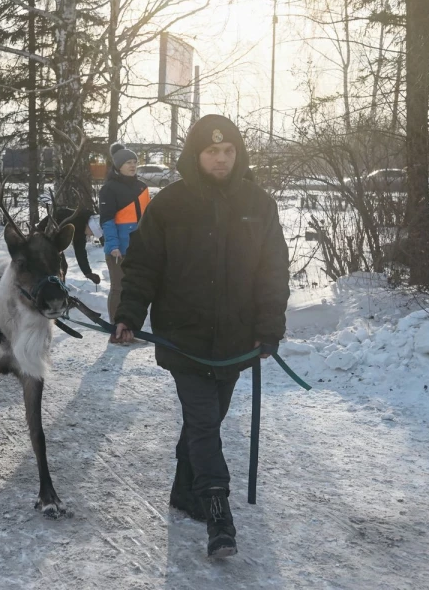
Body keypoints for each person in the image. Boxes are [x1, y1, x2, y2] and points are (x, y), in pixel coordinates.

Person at [112, 115, 290, 558]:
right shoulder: (171, 204)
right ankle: (217, 512)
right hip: (184, 338)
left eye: (229, 151)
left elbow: (273, 272)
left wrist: (269, 328)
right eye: (212, 151)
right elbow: (144, 265)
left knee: (205, 420)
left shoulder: (258, 204)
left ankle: (183, 490)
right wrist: (130, 313)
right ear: (196, 154)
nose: (221, 159)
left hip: (236, 341)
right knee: (206, 421)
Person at [98, 142, 150, 326]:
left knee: (137, 290)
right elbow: (106, 220)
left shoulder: (142, 187)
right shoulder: (109, 189)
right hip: (119, 249)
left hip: (140, 248)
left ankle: (131, 328)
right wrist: (113, 246)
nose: (133, 165)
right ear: (118, 166)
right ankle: (116, 328)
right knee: (119, 289)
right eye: (128, 162)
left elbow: (149, 219)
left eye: (134, 162)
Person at [35, 206, 101, 284]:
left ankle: (60, 287)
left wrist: (88, 273)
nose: (90, 235)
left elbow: (80, 252)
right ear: (90, 226)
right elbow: (58, 214)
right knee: (58, 265)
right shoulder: (75, 220)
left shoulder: (81, 229)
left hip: (55, 243)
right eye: (92, 233)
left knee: (62, 266)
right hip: (43, 236)